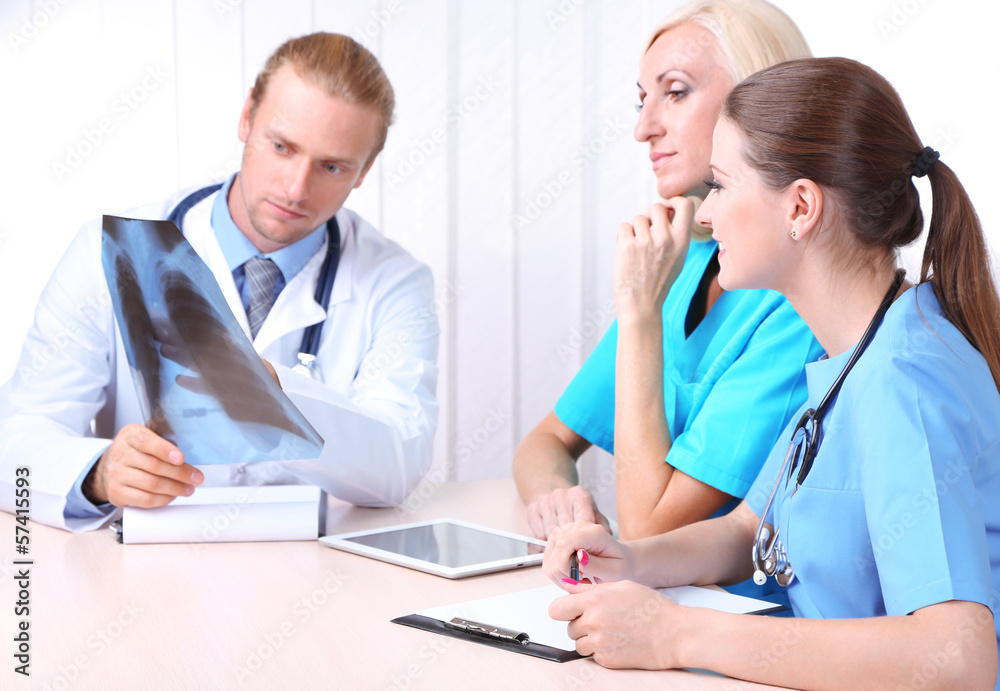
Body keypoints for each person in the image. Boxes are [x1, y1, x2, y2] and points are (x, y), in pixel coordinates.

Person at [543, 56, 1000, 689]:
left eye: (723, 187)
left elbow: (958, 659)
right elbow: (748, 529)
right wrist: (631, 563)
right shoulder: (848, 351)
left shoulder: (906, 379)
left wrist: (676, 633)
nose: (704, 215)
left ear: (801, 207)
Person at [0, 33, 440, 532]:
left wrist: (282, 398)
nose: (296, 189)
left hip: (303, 568)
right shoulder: (114, 248)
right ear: (246, 118)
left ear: (365, 171)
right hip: (142, 567)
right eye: (281, 147)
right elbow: (16, 439)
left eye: (332, 166)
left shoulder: (396, 282)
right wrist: (98, 474)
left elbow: (399, 464)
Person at [513, 0, 823, 542]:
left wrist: (637, 314)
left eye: (675, 92)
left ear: (759, 100)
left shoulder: (803, 301)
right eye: (642, 99)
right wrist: (557, 501)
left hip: (744, 618)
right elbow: (546, 442)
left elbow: (647, 527)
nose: (643, 128)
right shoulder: (687, 263)